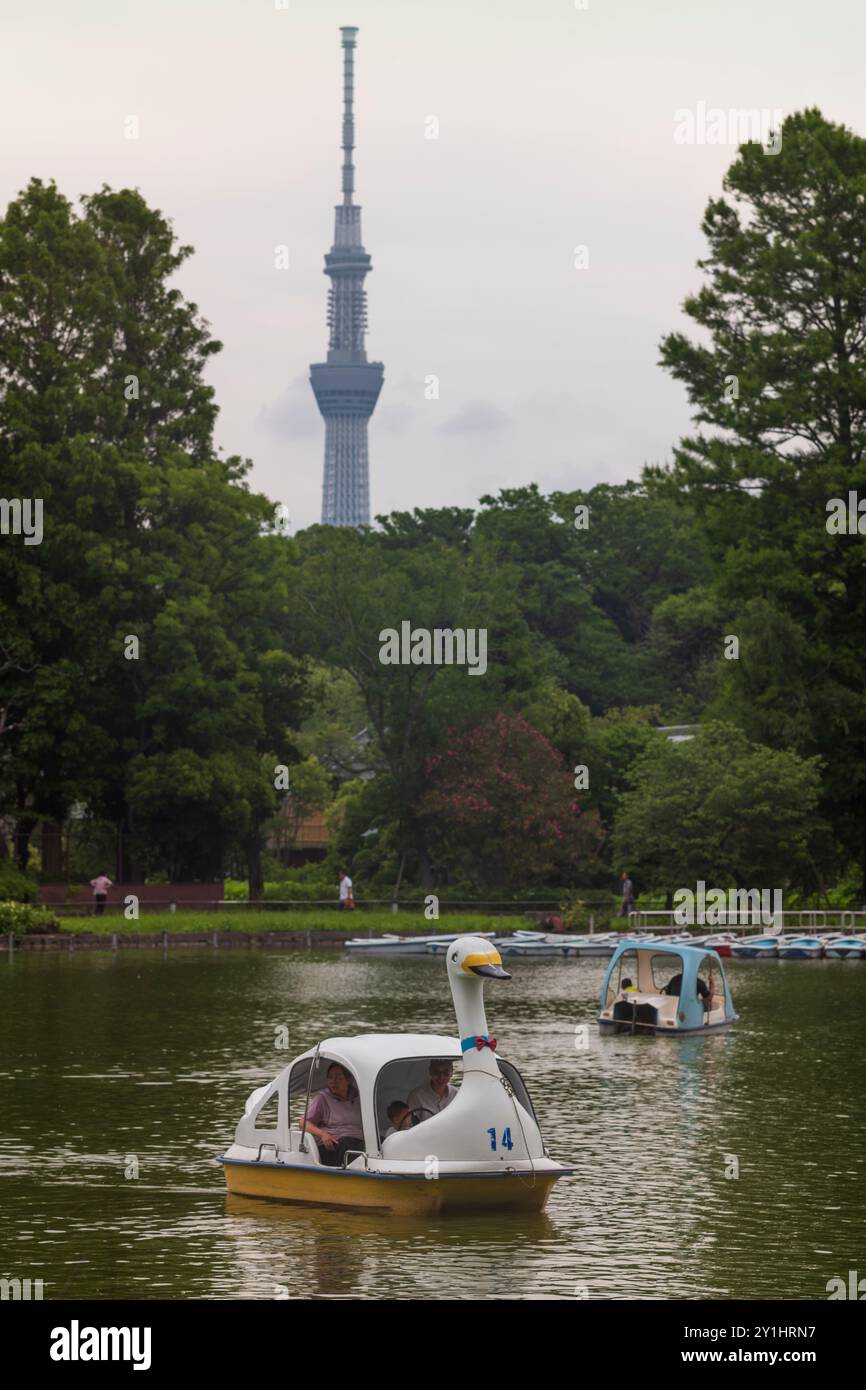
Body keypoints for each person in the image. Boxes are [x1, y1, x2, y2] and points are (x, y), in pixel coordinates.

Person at [299, 1063, 365, 1167]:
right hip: (333, 1146)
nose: (333, 1082)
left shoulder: (359, 1097)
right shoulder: (322, 1099)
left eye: (338, 1077)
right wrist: (323, 1134)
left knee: (381, 1142)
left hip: (358, 1141)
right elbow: (303, 1123)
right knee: (347, 1143)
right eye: (330, 1077)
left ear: (349, 1080)